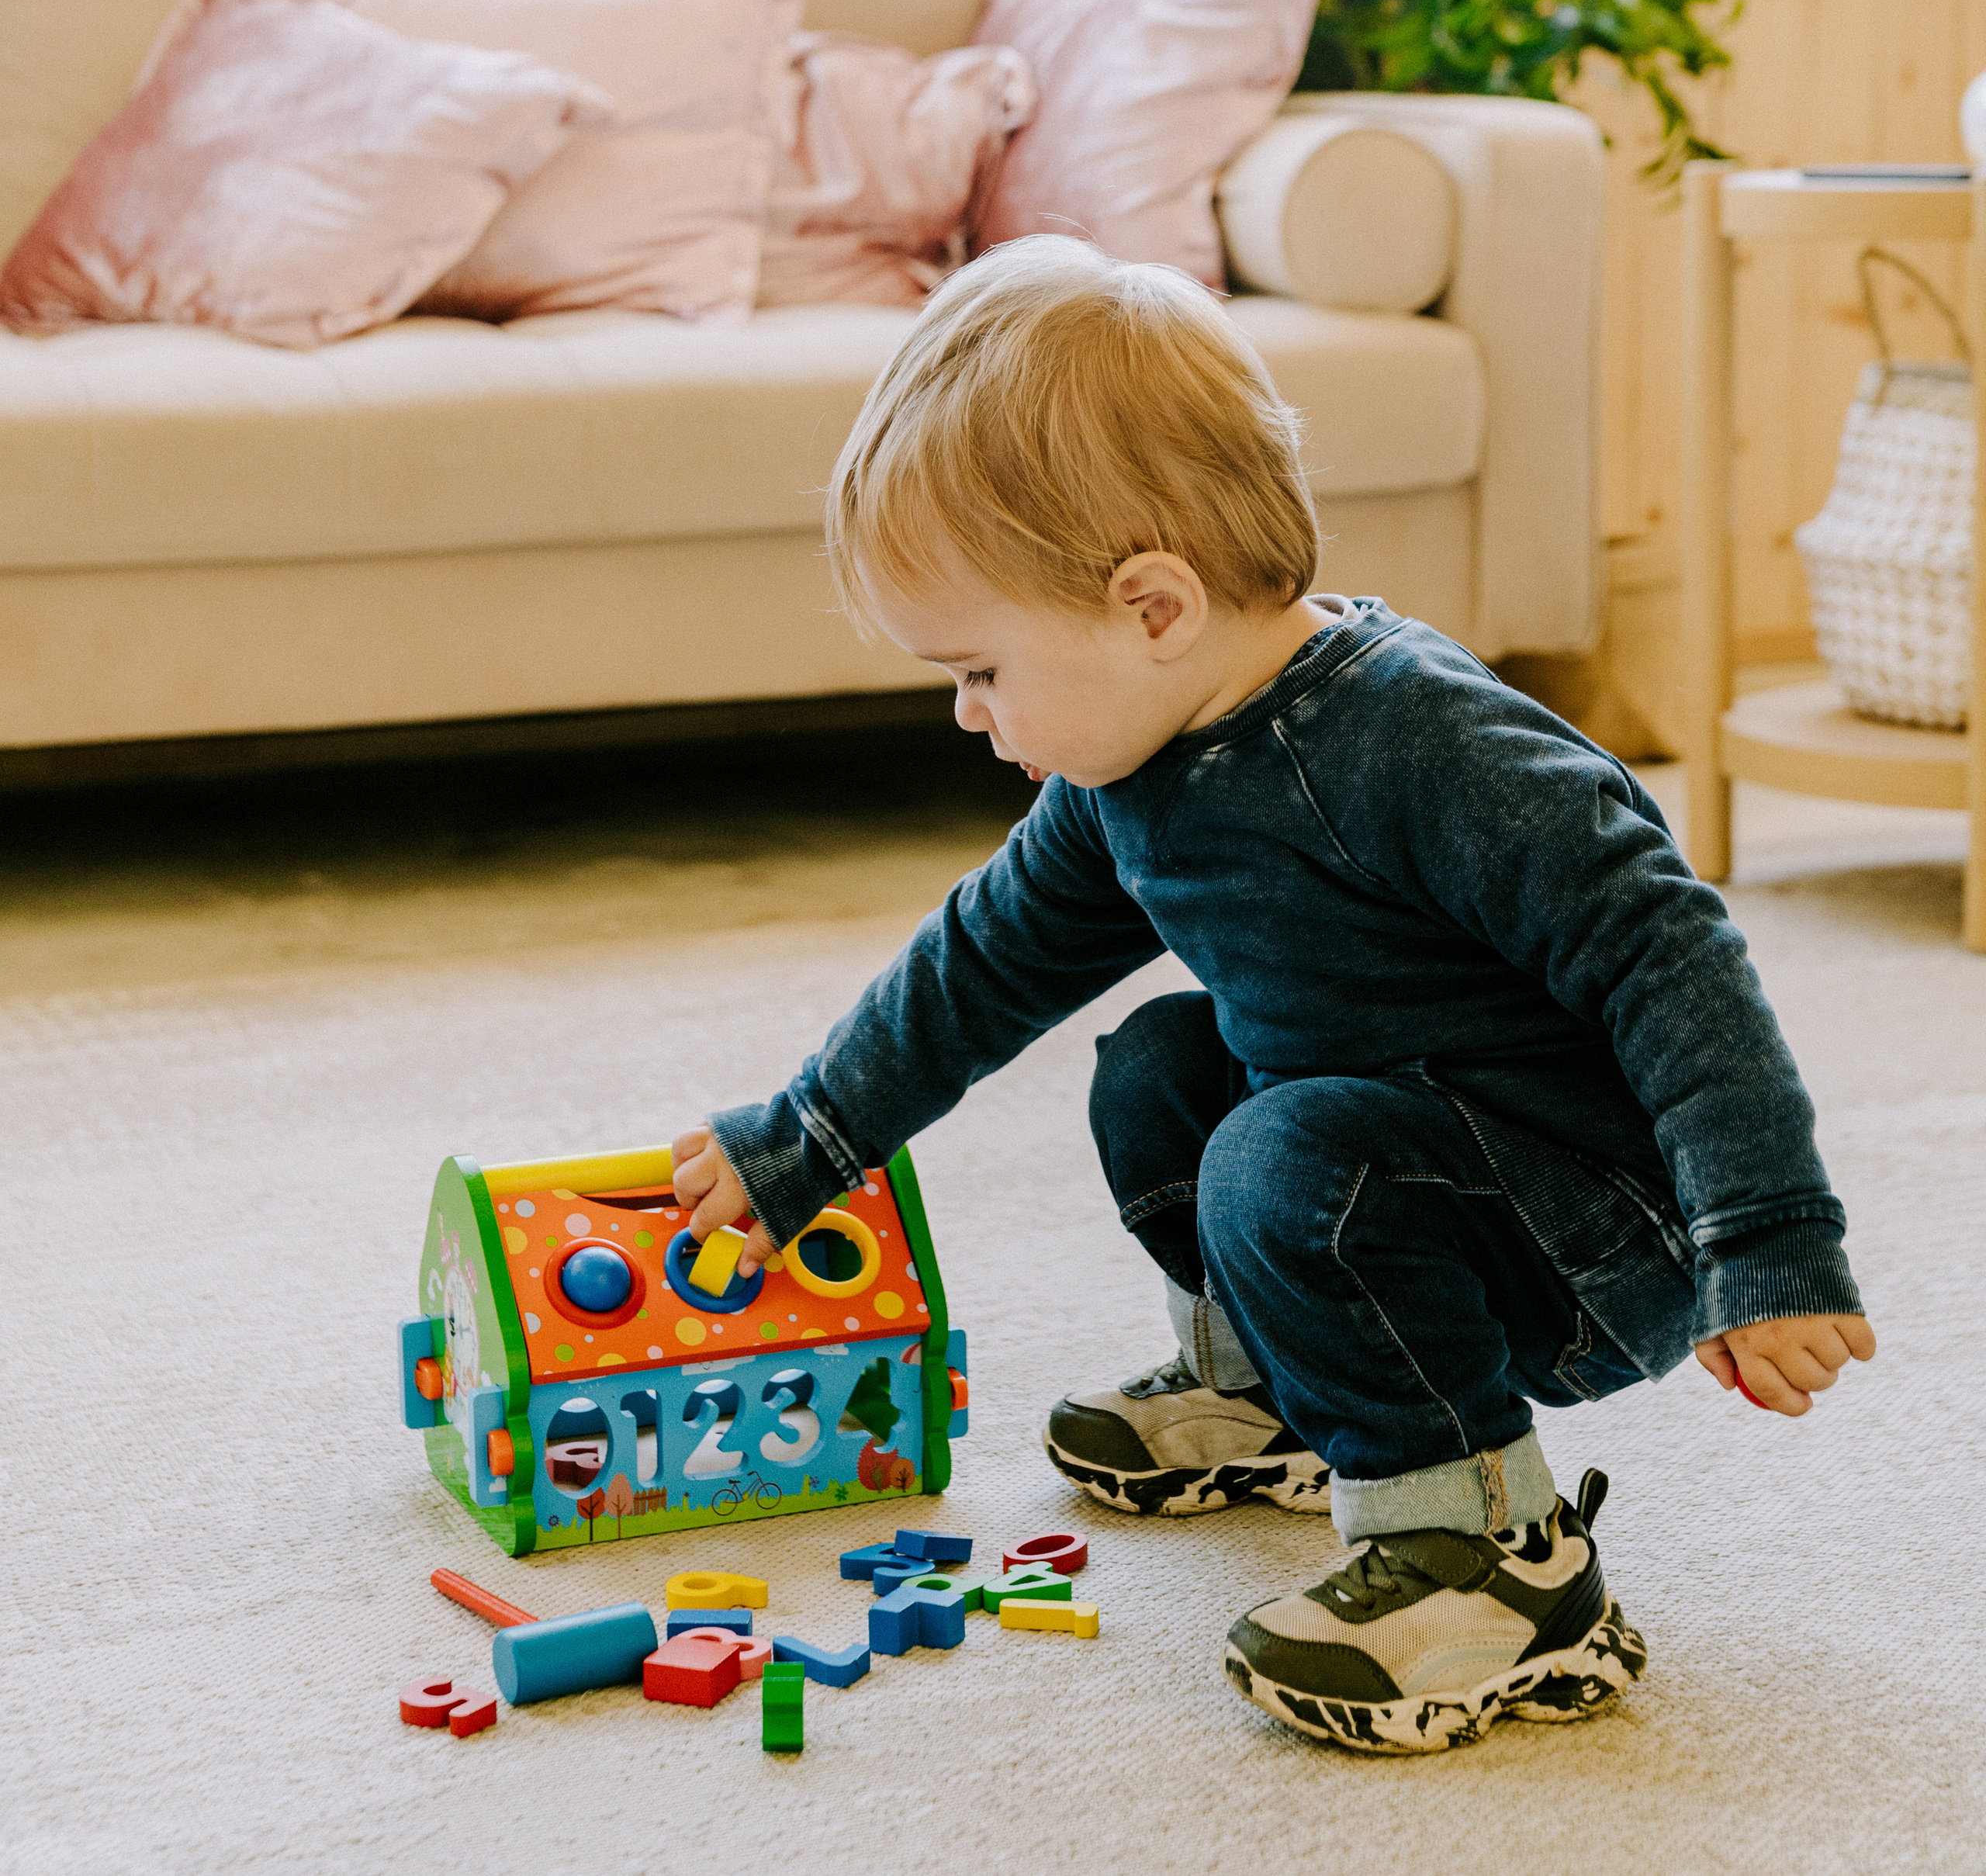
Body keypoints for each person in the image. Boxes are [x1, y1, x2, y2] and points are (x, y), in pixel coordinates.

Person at [669, 234, 1875, 1755]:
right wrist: (807, 1141)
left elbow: (1666, 955)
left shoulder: (1422, 749)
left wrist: (1760, 1236)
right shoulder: (1133, 769)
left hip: (1592, 1226)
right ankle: (1279, 1395)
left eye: (980, 672)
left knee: (1284, 1157)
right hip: (1404, 1168)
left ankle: (1495, 1559)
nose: (968, 719)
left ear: (1152, 609)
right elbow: (982, 962)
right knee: (1160, 1070)